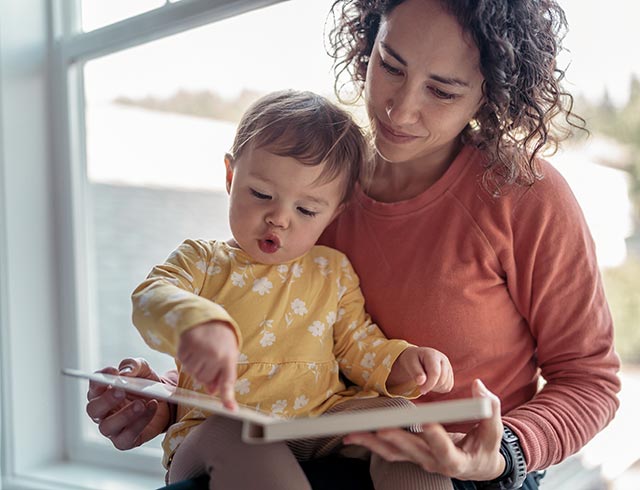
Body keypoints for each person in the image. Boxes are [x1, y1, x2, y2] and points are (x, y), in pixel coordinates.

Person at [87, 1, 622, 489]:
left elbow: (590, 380)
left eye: (442, 90)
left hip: (462, 472)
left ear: (491, 92)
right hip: (307, 446)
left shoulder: (524, 195)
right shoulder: (314, 190)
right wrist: (162, 402)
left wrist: (503, 451)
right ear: (368, 42)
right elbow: (271, 343)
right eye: (390, 65)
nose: (399, 108)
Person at [121, 88, 456, 489]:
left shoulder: (332, 270)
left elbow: (357, 346)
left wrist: (405, 362)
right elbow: (150, 297)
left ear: (334, 212)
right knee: (239, 431)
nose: (278, 218)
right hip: (216, 431)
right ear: (231, 177)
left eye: (306, 210)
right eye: (261, 194)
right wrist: (197, 324)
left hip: (318, 423)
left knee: (401, 417)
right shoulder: (203, 261)